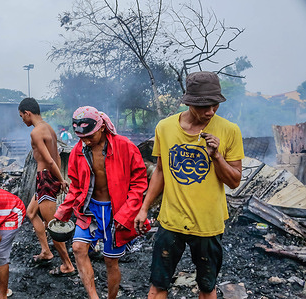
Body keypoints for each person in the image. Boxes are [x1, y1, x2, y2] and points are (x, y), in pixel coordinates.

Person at [134, 71, 245, 299]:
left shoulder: (229, 130)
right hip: (171, 221)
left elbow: (234, 181)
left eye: (215, 105)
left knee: (207, 288)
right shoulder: (165, 128)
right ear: (189, 101)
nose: (210, 111)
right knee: (157, 287)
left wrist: (217, 157)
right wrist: (144, 208)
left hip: (208, 224)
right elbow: (161, 172)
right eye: (204, 106)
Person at [54, 106, 151, 299]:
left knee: (110, 261)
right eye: (82, 137)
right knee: (78, 248)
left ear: (101, 128)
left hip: (117, 211)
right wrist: (62, 212)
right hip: (90, 209)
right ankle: (93, 297)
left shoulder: (125, 146)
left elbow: (139, 182)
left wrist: (127, 213)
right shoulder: (78, 151)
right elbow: (75, 186)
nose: (86, 141)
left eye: (90, 136)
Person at [18, 97, 76, 276]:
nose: (22, 120)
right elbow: (57, 157)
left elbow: (50, 161)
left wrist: (61, 180)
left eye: (22, 116)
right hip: (49, 178)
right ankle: (46, 251)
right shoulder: (49, 128)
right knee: (31, 213)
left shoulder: (36, 132)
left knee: (52, 226)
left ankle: (68, 265)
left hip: (45, 179)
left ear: (28, 113)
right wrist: (58, 179)